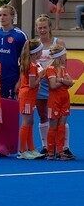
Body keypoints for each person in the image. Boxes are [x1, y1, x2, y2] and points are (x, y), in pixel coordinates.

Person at [35, 15, 69, 156]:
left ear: (50, 27)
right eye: (40, 27)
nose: (42, 30)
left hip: (55, 85)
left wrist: (52, 75)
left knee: (60, 117)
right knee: (43, 116)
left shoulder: (58, 42)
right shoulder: (34, 44)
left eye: (45, 27)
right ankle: (46, 147)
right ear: (36, 29)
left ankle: (64, 148)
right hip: (40, 85)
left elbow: (63, 64)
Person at [0, 4, 27, 99]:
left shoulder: (20, 36)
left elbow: (25, 60)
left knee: (9, 109)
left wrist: (20, 81)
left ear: (12, 16)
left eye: (5, 15)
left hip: (11, 77)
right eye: (0, 15)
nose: (2, 18)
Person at [45, 45, 75, 159]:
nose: (65, 57)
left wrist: (61, 80)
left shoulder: (62, 69)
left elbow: (71, 82)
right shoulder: (50, 69)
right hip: (54, 100)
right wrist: (64, 82)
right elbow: (53, 85)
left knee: (61, 126)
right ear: (59, 56)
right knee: (53, 126)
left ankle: (60, 151)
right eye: (64, 55)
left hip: (64, 99)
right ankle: (50, 152)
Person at [17, 39, 43, 159]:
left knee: (30, 121)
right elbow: (32, 84)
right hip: (27, 96)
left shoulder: (30, 64)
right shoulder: (31, 66)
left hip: (30, 96)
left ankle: (31, 148)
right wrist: (41, 77)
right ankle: (22, 150)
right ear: (36, 53)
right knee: (26, 121)